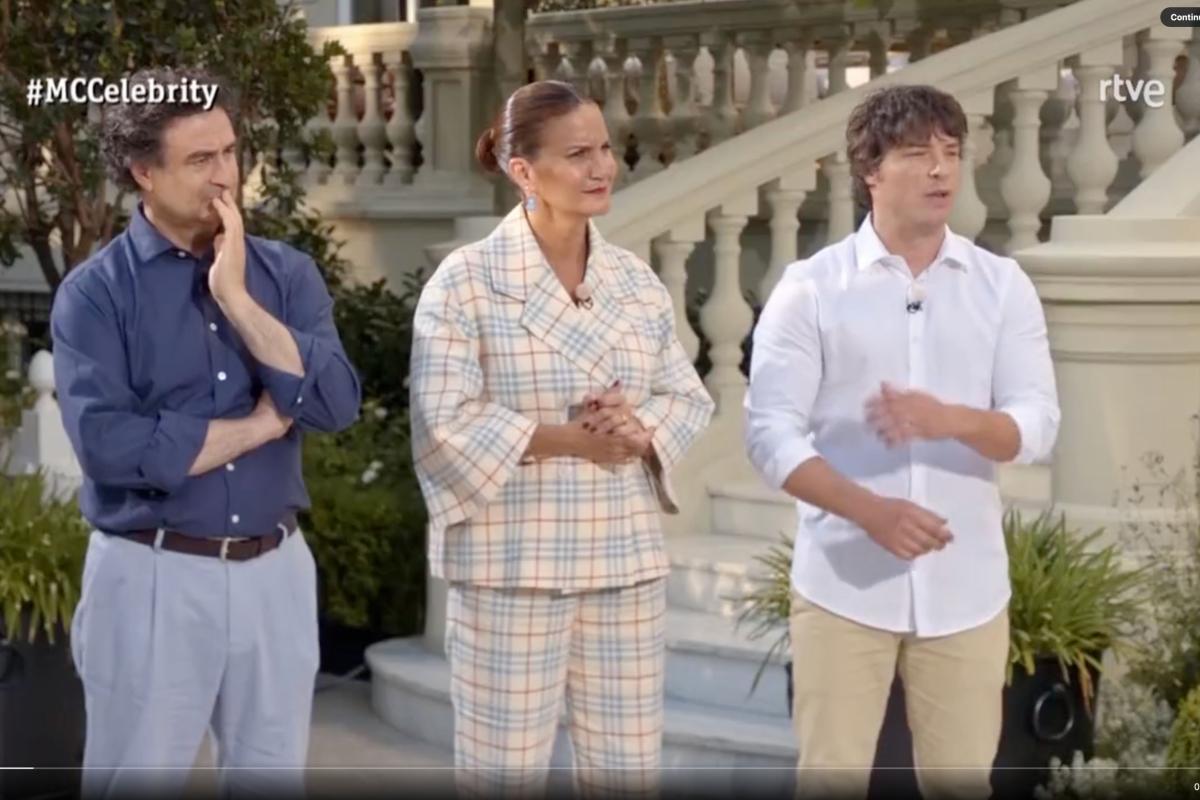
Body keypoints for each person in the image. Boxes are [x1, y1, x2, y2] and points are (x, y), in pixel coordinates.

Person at [51, 67, 361, 798]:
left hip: (277, 572)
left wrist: (237, 299)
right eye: (199, 160)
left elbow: (335, 403)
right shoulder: (95, 294)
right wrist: (262, 422)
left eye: (229, 152)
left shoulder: (286, 276)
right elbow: (114, 450)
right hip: (152, 575)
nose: (225, 176)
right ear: (144, 172)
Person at [744, 84, 1061, 800]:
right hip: (841, 584)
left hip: (966, 588)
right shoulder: (812, 289)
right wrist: (870, 512)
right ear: (871, 170)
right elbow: (769, 435)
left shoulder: (1002, 286)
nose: (941, 170)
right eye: (918, 154)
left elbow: (1038, 424)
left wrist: (953, 420)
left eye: (950, 152)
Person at [408, 79, 714, 798]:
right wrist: (571, 440)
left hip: (624, 562)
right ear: (523, 171)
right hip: (513, 566)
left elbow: (685, 395)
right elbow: (443, 423)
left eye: (605, 148)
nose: (603, 167)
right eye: (578, 155)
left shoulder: (634, 280)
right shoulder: (466, 283)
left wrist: (639, 429)